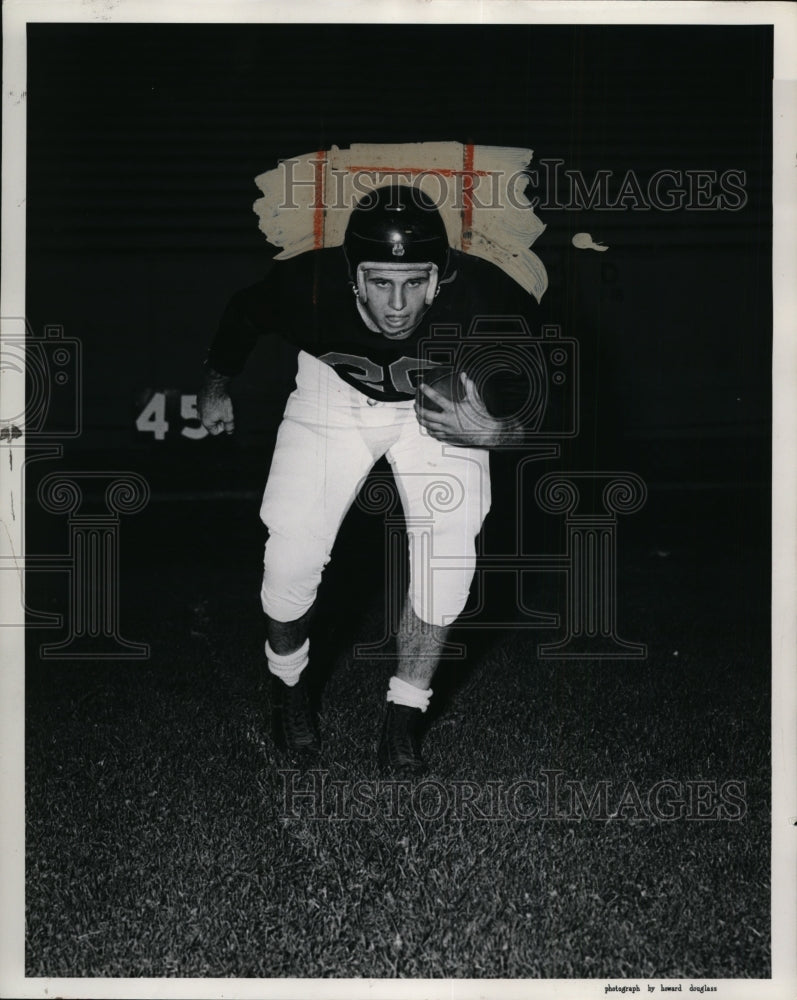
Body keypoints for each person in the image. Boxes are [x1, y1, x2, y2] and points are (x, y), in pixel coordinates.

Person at [198, 182, 539, 776]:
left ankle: (405, 717)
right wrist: (216, 387)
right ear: (352, 277)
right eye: (381, 282)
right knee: (291, 554)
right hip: (335, 397)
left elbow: (551, 411)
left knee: (449, 561)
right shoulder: (305, 288)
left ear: (442, 278)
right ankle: (289, 687)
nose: (399, 304)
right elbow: (243, 313)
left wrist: (495, 433)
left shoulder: (490, 298)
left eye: (415, 282)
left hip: (440, 399)